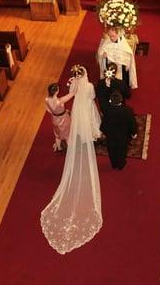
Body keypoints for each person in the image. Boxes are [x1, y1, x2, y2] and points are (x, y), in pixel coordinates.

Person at [41, 65, 103, 254]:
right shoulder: (87, 87)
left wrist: (73, 88)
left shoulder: (47, 100)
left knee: (59, 133)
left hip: (55, 118)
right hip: (69, 113)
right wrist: (76, 90)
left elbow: (64, 99)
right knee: (69, 132)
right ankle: (72, 145)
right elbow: (85, 97)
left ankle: (59, 144)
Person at [100, 90, 137, 170]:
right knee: (122, 151)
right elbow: (132, 123)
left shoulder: (107, 111)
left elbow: (103, 125)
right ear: (121, 100)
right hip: (123, 136)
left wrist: (106, 133)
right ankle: (121, 165)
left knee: (112, 151)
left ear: (110, 101)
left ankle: (114, 164)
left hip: (111, 137)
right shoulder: (127, 111)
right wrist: (133, 133)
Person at [45, 82, 74, 152]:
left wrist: (55, 113)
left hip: (54, 119)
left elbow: (48, 109)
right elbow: (72, 94)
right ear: (56, 91)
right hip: (63, 119)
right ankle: (71, 151)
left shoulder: (46, 99)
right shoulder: (60, 100)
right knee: (67, 135)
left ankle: (59, 147)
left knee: (57, 135)